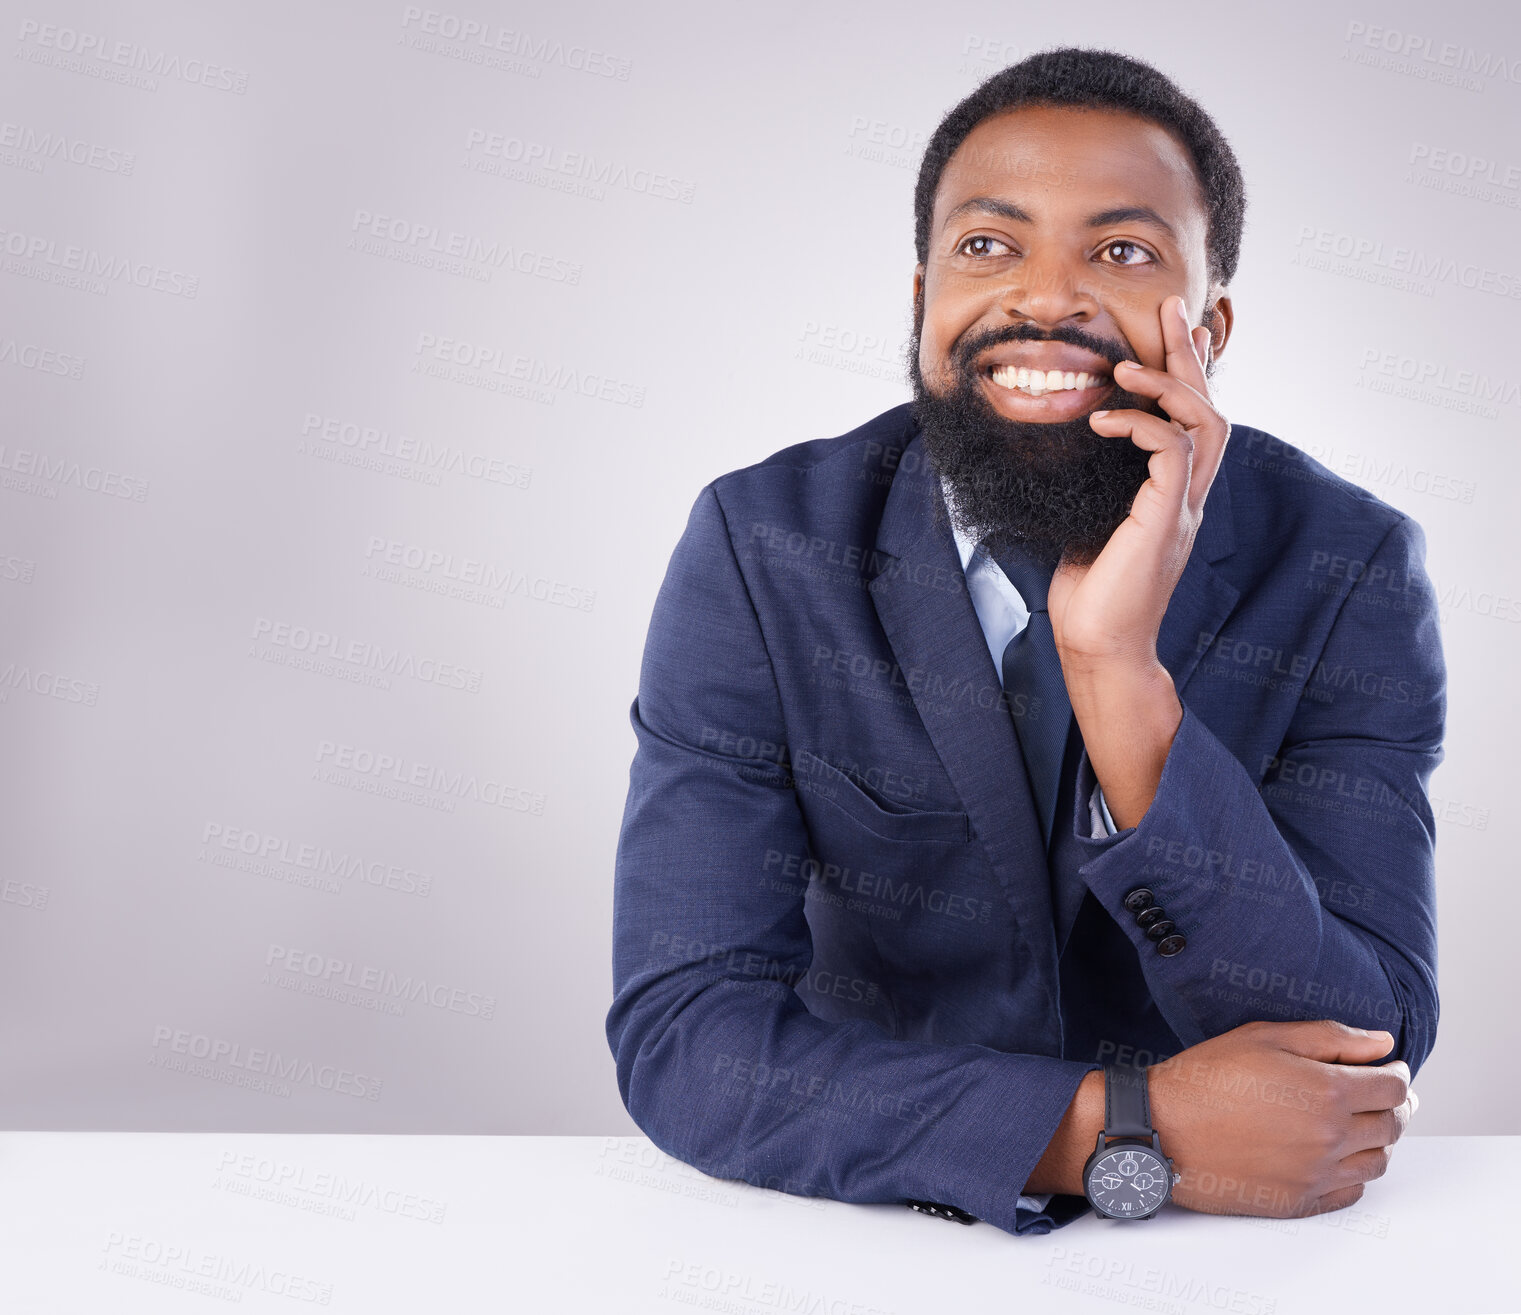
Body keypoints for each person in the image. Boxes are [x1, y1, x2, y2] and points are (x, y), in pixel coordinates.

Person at [605, 46, 1441, 1235]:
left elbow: (1365, 1056)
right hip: (869, 1242)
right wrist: (1124, 1128)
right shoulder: (764, 546)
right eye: (989, 245)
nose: (1045, 297)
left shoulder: (1345, 565)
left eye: (1122, 250)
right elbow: (688, 1037)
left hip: (1237, 1274)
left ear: (1210, 324)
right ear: (922, 299)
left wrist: (1119, 680)